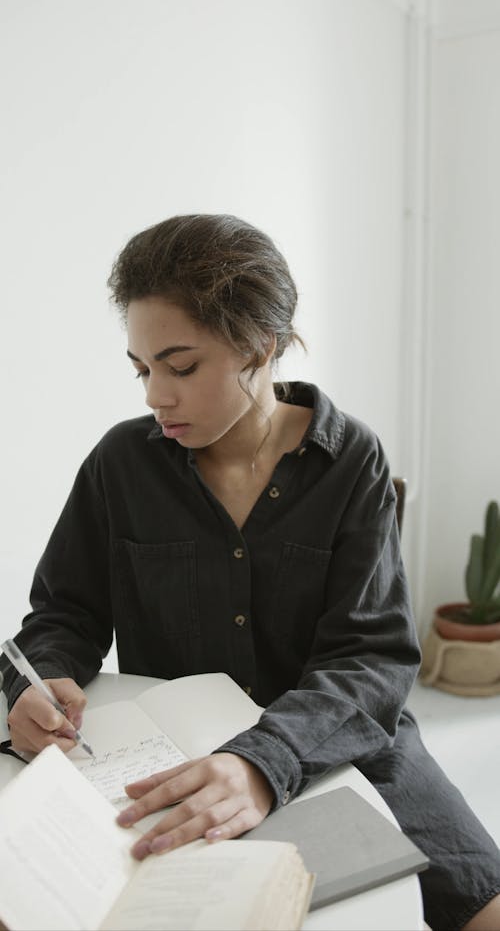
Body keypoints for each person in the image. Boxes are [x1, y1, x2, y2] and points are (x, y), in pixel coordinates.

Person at [1, 214, 499, 931]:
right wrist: (39, 677)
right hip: (173, 761)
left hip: (341, 740)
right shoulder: (121, 463)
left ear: (259, 348)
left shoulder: (352, 460)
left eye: (180, 366)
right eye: (142, 370)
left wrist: (263, 762)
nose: (154, 396)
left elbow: (370, 659)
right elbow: (64, 614)